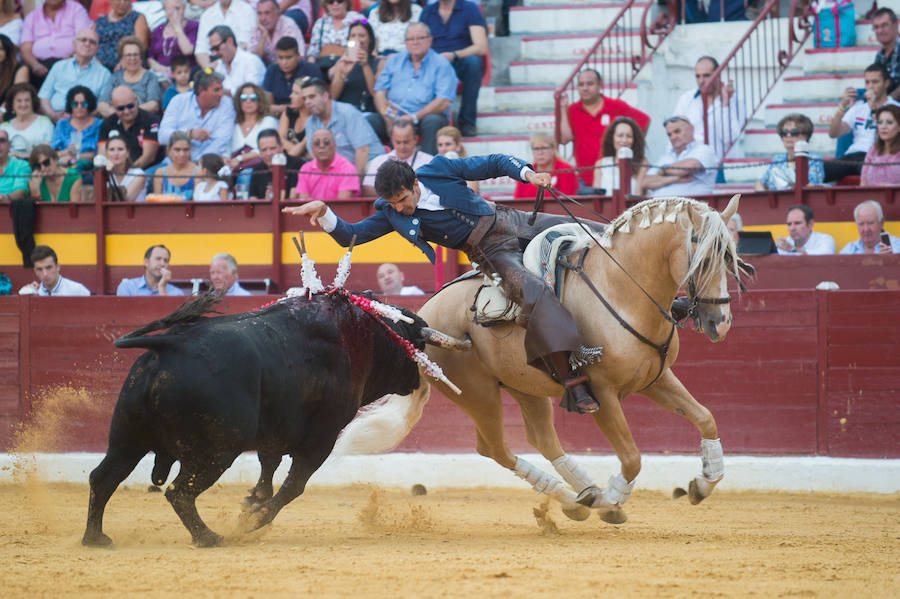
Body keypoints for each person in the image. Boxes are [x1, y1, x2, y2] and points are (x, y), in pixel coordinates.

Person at [283, 154, 605, 414]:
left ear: (414, 183)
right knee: (532, 294)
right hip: (492, 252)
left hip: (511, 219)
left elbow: (493, 163)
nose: (398, 207)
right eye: (392, 203)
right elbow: (351, 236)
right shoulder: (391, 214)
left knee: (599, 232)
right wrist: (325, 213)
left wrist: (528, 175)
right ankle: (573, 381)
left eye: (402, 199)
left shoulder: (439, 168)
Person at [374, 22, 458, 155]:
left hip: (424, 117)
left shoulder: (441, 64)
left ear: (430, 40)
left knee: (433, 121)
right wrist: (387, 115)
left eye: (420, 38)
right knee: (369, 121)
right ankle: (377, 167)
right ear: (405, 42)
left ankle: (427, 171)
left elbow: (444, 101)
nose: (415, 42)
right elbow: (379, 92)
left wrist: (414, 117)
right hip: (393, 116)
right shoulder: (393, 61)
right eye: (411, 39)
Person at [558, 69, 650, 187]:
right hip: (584, 180)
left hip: (613, 177)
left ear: (600, 85)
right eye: (581, 84)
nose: (585, 88)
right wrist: (562, 109)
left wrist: (634, 147)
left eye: (590, 83)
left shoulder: (616, 106)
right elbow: (564, 139)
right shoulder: (572, 110)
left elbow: (645, 121)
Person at [419, 0, 487, 137]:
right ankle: (423, 120)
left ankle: (467, 122)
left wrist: (454, 55)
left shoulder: (470, 9)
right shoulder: (428, 11)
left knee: (473, 63)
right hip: (433, 62)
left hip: (459, 59)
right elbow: (419, 41)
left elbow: (481, 47)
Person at [827, 63, 900, 182]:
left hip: (877, 156)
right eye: (867, 82)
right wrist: (842, 106)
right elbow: (833, 134)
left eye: (875, 82)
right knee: (817, 171)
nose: (870, 87)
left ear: (886, 83)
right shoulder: (858, 107)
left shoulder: (895, 108)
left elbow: (883, 135)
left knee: (874, 173)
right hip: (852, 155)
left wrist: (873, 109)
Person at [302, 77, 384, 176]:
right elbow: (314, 155)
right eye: (304, 98)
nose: (307, 102)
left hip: (369, 163)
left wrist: (354, 181)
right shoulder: (310, 122)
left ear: (325, 96)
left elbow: (363, 151)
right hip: (340, 170)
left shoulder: (347, 112)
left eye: (312, 97)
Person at [672, 56, 745, 161]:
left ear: (718, 75)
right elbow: (674, 132)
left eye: (706, 76)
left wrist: (725, 104)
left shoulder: (735, 100)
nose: (701, 81)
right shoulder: (686, 99)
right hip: (691, 164)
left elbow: (729, 138)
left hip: (722, 165)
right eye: (698, 76)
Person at [159, 70, 237, 161]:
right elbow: (162, 136)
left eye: (221, 89)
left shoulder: (226, 103)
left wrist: (199, 163)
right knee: (140, 174)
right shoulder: (178, 101)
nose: (221, 93)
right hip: (174, 163)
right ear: (201, 90)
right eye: (216, 90)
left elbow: (221, 141)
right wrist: (189, 134)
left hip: (208, 166)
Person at [329, 19, 386, 142]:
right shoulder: (343, 62)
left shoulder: (379, 62)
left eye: (362, 35)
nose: (357, 39)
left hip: (368, 113)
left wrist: (365, 65)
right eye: (353, 36)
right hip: (345, 113)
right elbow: (332, 97)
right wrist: (342, 75)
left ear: (369, 39)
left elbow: (376, 93)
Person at [37, 29, 111, 123]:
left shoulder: (104, 74)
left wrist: (79, 118)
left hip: (87, 123)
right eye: (83, 40)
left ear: (97, 49)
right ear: (74, 44)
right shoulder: (59, 66)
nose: (87, 44)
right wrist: (53, 115)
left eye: (92, 42)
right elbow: (44, 96)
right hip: (54, 120)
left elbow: (102, 105)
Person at [20, 0, 92, 87]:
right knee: (23, 71)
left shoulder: (77, 10)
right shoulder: (32, 16)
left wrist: (71, 56)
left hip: (69, 62)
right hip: (40, 66)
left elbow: (83, 39)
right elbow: (25, 48)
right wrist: (35, 65)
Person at [641, 115, 717, 197]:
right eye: (669, 134)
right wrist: (674, 179)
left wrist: (664, 170)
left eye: (677, 131)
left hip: (691, 207)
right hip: (661, 206)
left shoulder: (704, 150)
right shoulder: (666, 157)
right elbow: (645, 182)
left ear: (691, 129)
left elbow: (690, 166)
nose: (673, 137)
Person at [755, 114, 825, 191]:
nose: (788, 135)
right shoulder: (778, 159)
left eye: (794, 132)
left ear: (806, 136)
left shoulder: (814, 159)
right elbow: (761, 183)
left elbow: (810, 186)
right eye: (784, 133)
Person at [98, 86, 162, 170]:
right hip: (115, 172)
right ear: (112, 105)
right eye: (121, 108)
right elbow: (103, 156)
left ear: (136, 100)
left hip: (147, 170)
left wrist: (128, 174)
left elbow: (148, 157)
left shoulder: (151, 120)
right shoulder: (108, 123)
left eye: (130, 106)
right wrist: (111, 173)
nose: (126, 111)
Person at [362, 119, 432, 194]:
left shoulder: (429, 161)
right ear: (392, 140)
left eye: (406, 142)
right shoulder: (379, 161)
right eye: (398, 142)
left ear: (416, 139)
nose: (402, 147)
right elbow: (368, 190)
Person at [98, 37, 163, 117]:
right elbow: (102, 104)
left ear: (141, 57)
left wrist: (126, 113)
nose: (132, 58)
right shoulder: (115, 77)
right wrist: (118, 114)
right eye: (128, 55)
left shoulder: (150, 77)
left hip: (142, 120)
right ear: (122, 59)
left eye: (135, 54)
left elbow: (154, 105)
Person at [262, 37, 322, 117]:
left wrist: (281, 108)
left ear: (298, 56)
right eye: (280, 58)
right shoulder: (272, 70)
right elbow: (268, 107)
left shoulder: (311, 70)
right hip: (277, 118)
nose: (284, 62)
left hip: (306, 116)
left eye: (288, 57)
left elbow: (316, 102)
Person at [293, 128, 359, 199]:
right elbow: (304, 201)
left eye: (326, 143)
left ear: (335, 146)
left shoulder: (347, 168)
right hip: (312, 210)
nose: (322, 146)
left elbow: (342, 204)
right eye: (317, 143)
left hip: (338, 210)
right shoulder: (305, 169)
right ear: (312, 148)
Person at [513, 130, 579, 199]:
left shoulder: (566, 170)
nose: (540, 153)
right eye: (536, 148)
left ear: (553, 149)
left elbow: (568, 203)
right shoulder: (526, 172)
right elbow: (518, 201)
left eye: (544, 148)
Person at [228, 82, 279, 171]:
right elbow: (227, 148)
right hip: (232, 165)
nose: (248, 101)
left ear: (260, 101)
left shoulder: (268, 121)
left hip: (256, 167)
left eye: (253, 98)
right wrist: (226, 159)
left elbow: (267, 149)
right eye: (243, 98)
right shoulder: (233, 124)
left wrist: (240, 158)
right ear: (238, 101)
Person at [592, 116, 647, 195]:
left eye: (629, 136)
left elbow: (639, 194)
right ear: (612, 138)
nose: (624, 140)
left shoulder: (641, 164)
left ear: (634, 140)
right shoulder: (600, 164)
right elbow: (596, 196)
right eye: (620, 136)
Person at [195, 0, 258, 69]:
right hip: (212, 66)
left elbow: (245, 44)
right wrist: (210, 70)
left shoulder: (246, 10)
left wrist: (220, 65)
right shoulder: (207, 15)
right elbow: (200, 50)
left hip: (240, 64)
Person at [307, 0, 363, 75]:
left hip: (350, 63)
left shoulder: (359, 19)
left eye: (339, 1)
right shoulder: (320, 23)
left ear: (346, 3)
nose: (335, 4)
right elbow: (313, 53)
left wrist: (339, 65)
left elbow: (368, 36)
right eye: (330, 2)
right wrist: (311, 71)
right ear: (326, 5)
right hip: (323, 66)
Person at [50, 86, 101, 169]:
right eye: (75, 104)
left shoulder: (99, 124)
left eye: (84, 104)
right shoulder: (62, 124)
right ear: (70, 106)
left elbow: (99, 153)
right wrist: (67, 152)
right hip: (63, 163)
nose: (79, 107)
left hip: (89, 167)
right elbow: (53, 153)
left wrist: (76, 157)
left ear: (90, 104)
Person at [94, 0, 151, 72]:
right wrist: (94, 60)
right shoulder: (100, 21)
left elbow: (141, 46)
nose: (122, 3)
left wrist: (126, 61)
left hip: (127, 65)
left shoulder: (137, 18)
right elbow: (91, 42)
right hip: (99, 66)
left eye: (126, 0)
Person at [1, 83, 54, 160]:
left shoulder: (45, 123)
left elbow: (48, 151)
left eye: (27, 100)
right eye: (19, 101)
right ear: (12, 104)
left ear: (33, 102)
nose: (23, 104)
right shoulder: (3, 127)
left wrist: (22, 155)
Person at [209, 25, 266, 96]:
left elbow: (252, 93)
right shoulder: (219, 66)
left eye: (217, 48)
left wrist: (227, 93)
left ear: (230, 41)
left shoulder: (251, 61)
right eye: (212, 50)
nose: (214, 53)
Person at [249, 128, 305, 199]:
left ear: (281, 147)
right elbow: (253, 199)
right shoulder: (257, 170)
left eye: (272, 148)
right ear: (259, 152)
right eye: (264, 150)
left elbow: (295, 197)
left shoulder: (297, 164)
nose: (268, 153)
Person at [148, 0, 200, 77]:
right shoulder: (158, 30)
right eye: (170, 9)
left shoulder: (194, 26)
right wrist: (163, 70)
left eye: (177, 8)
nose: (174, 13)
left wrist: (177, 26)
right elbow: (150, 58)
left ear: (184, 9)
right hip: (161, 74)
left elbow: (187, 50)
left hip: (186, 74)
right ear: (165, 10)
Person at [250, 0, 305, 66]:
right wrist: (263, 38)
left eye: (267, 13)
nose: (263, 18)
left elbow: (299, 57)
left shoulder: (288, 25)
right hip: (269, 72)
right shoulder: (257, 29)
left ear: (277, 14)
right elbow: (253, 62)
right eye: (259, 13)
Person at [20, 245, 90, 296]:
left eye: (49, 267)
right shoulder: (33, 292)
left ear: (58, 267)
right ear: (35, 271)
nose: (45, 274)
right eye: (39, 269)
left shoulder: (77, 290)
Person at [116, 244, 185, 296]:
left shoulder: (177, 293)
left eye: (166, 260)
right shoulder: (127, 287)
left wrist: (162, 287)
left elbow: (170, 315)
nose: (162, 264)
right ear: (146, 262)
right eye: (158, 259)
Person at [861, 104, 900, 186]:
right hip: (872, 197)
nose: (883, 127)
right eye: (880, 122)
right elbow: (863, 182)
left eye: (889, 122)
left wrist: (887, 187)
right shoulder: (872, 150)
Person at [152, 131, 197, 200]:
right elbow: (157, 203)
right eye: (177, 150)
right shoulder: (160, 173)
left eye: (186, 150)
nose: (182, 154)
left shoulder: (198, 172)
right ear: (169, 150)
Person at [436, 124, 478, 192]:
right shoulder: (433, 167)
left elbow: (470, 195)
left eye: (448, 144)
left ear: (458, 146)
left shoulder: (470, 168)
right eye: (440, 145)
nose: (443, 149)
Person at [278, 75, 311, 158]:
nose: (290, 96)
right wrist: (300, 153)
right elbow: (279, 139)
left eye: (296, 93)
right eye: (292, 92)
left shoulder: (316, 119)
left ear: (307, 97)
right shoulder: (288, 112)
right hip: (288, 159)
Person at [106, 136, 147, 202]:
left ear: (127, 153)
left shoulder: (139, 174)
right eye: (112, 149)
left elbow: (124, 201)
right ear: (107, 154)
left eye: (120, 149)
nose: (116, 153)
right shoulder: (103, 175)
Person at [872, 7, 900, 100]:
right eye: (876, 27)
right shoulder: (880, 56)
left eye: (884, 25)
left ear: (896, 25)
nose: (880, 31)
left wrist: (887, 102)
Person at [0, 128, 30, 202]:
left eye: (2, 141)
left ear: (9, 145)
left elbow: (21, 192)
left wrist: (3, 198)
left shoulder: (22, 165)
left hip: (12, 210)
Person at [0, 33, 28, 102]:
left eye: (1, 49)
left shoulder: (21, 69)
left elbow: (17, 97)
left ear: (8, 51)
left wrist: (2, 110)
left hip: (7, 110)